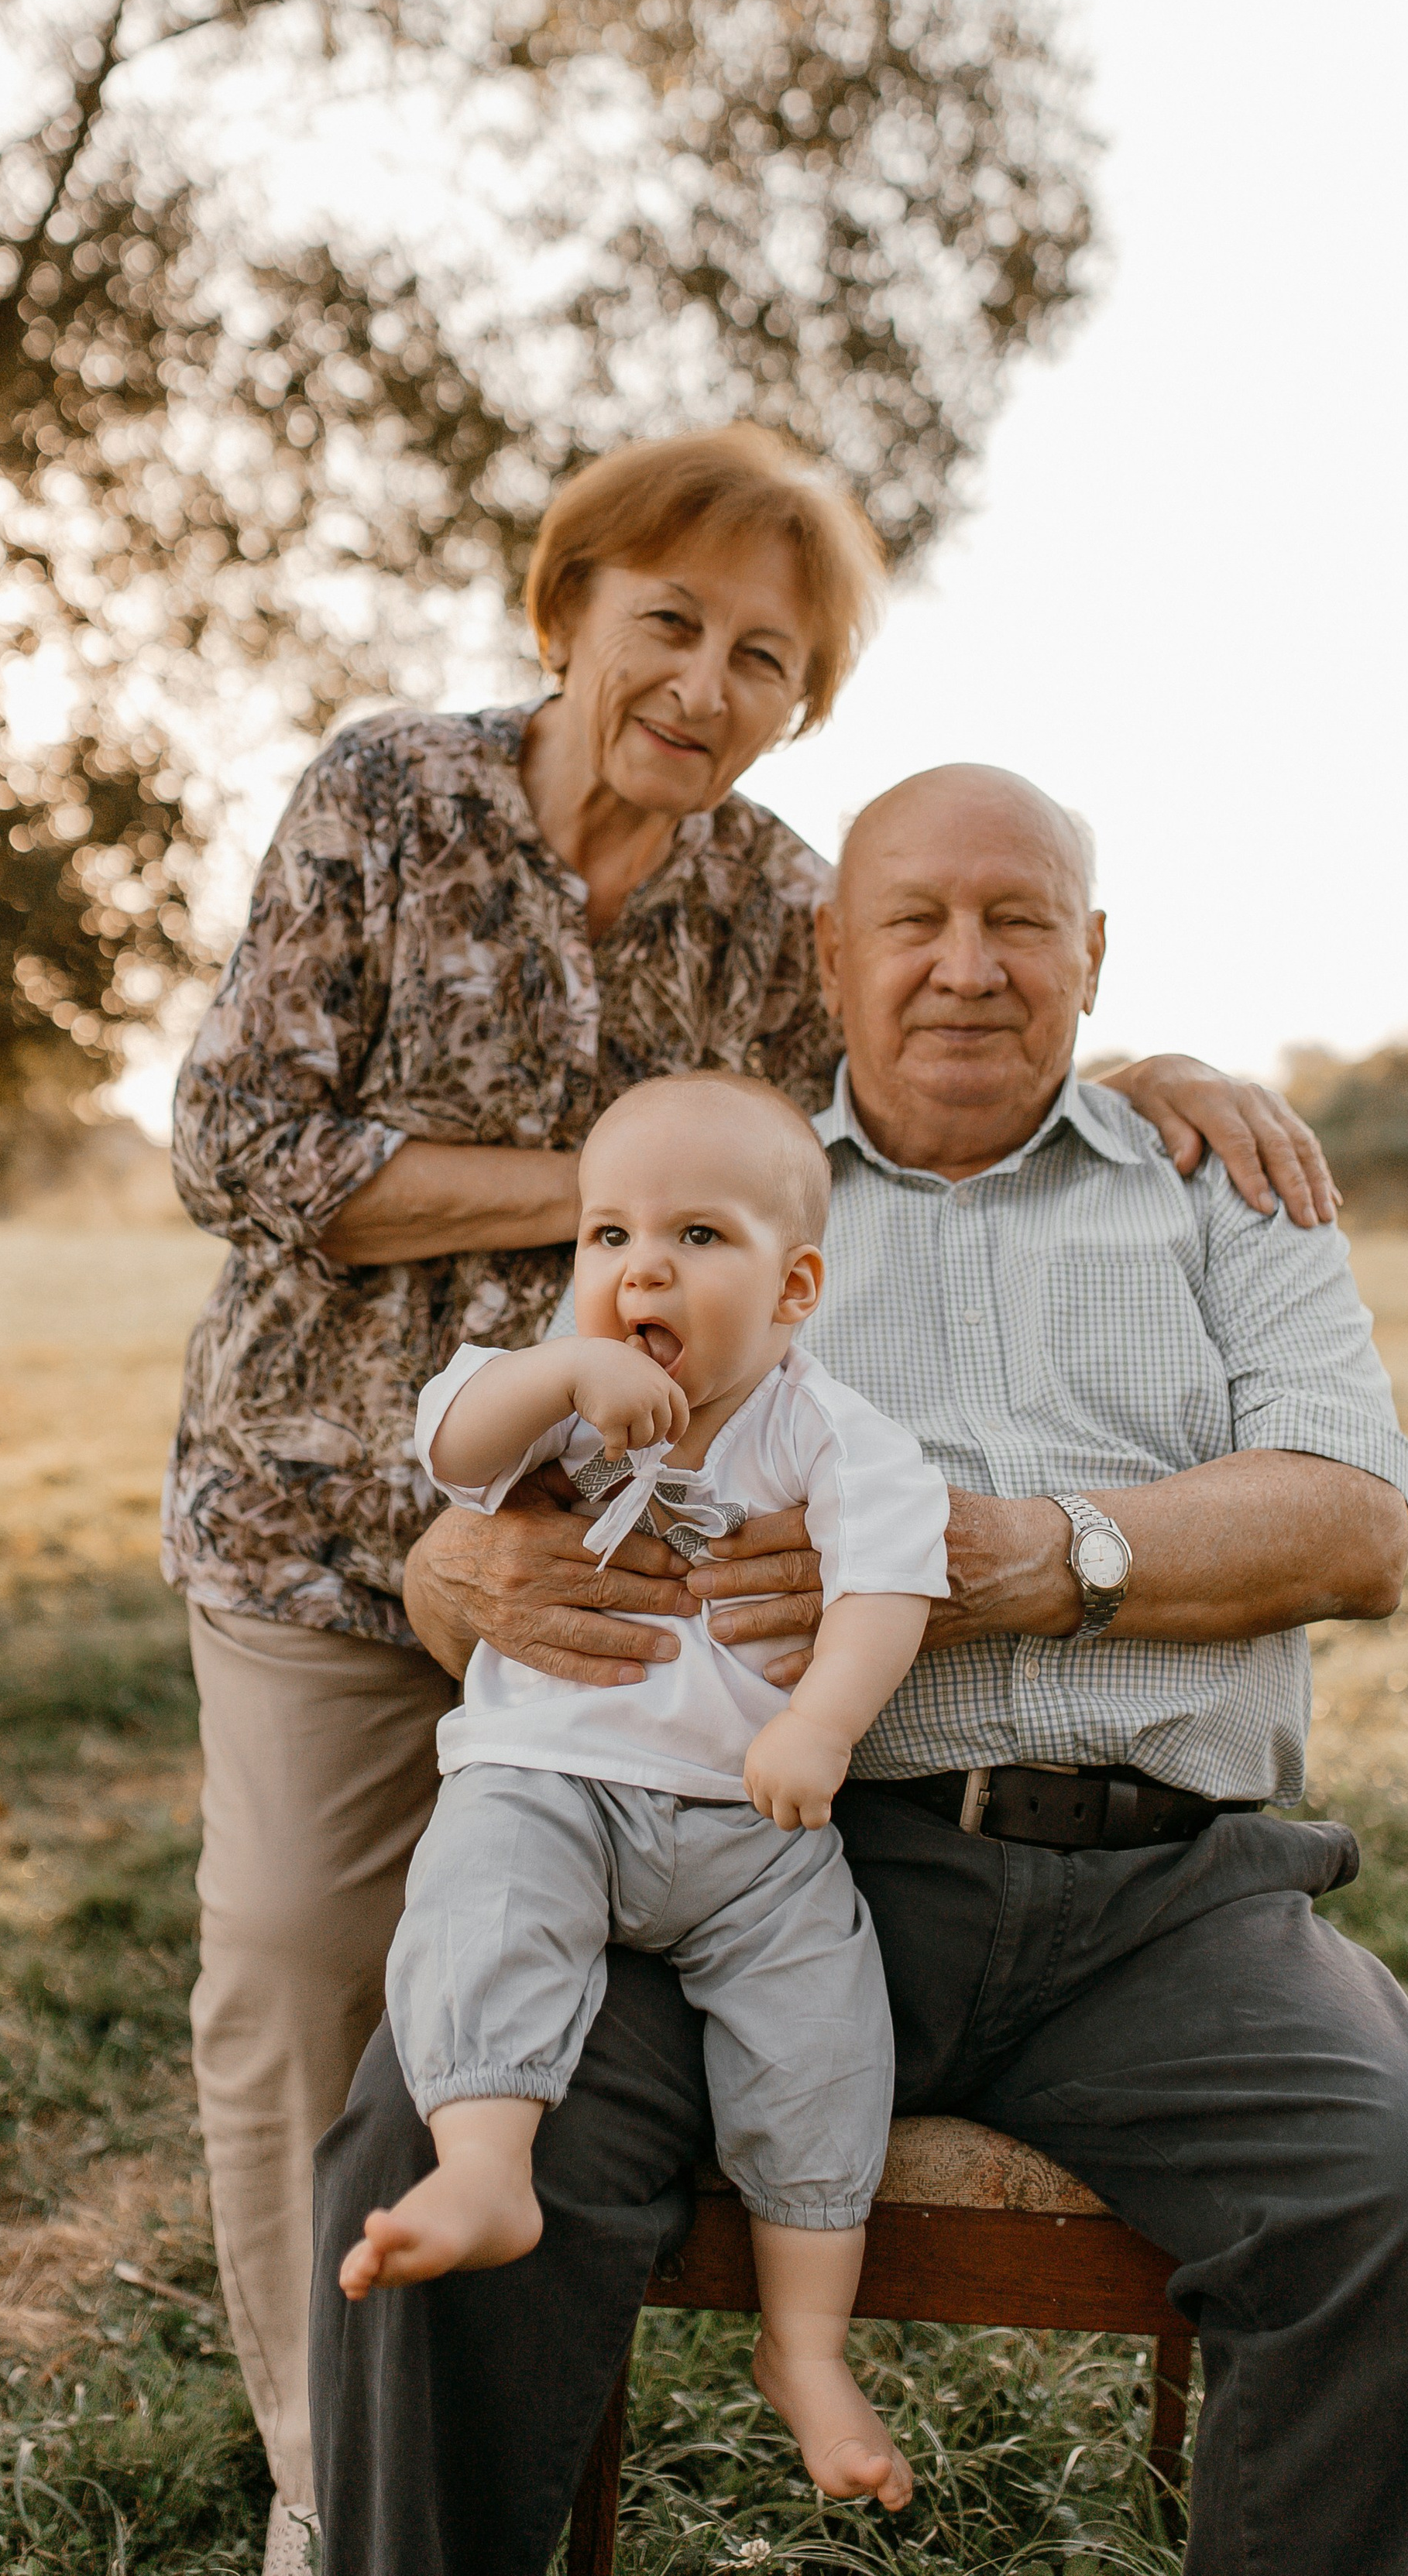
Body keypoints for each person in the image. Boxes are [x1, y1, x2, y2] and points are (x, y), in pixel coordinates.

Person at [165, 423, 1344, 2571]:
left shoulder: (777, 897)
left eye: (768, 658)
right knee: (311, 1970)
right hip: (342, 1507)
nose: (708, 685)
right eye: (672, 626)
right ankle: (328, 2480)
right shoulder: (391, 797)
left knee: (555, 1965)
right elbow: (244, 1152)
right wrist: (627, 1201)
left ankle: (527, 2389)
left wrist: (1154, 1079)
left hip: (644, 1544)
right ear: (572, 610)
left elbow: (961, 1008)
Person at [308, 763, 1408, 2576]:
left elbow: (1351, 1524)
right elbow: (491, 1490)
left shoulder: (1224, 1188)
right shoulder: (714, 1202)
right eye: (912, 920)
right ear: (830, 951)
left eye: (1017, 919)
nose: (963, 966)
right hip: (757, 1865)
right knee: (435, 2125)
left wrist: (1029, 1559)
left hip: (1161, 1902)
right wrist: (459, 1571)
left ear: (1093, 957)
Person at [342, 1072, 948, 2511]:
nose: (640, 1270)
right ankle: (485, 2163)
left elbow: (887, 1579)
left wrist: (823, 1721)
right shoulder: (552, 1388)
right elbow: (451, 1443)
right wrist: (559, 1375)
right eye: (606, 1236)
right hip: (550, 1782)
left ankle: (804, 2344)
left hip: (751, 1828)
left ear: (794, 1285)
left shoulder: (824, 1427)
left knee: (825, 2045)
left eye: (696, 1236)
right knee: (481, 1916)